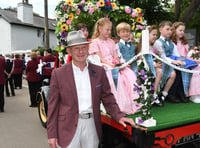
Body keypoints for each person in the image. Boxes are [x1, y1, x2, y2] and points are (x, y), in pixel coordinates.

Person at [47, 30, 135, 148]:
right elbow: (53, 106)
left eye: (83, 47)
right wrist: (52, 134)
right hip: (67, 126)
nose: (81, 51)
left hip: (92, 125)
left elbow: (108, 98)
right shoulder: (58, 74)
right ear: (69, 51)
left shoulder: (99, 72)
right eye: (76, 48)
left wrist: (119, 116)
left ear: (88, 48)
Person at [89, 18, 139, 114]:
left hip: (113, 63)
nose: (109, 32)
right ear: (100, 28)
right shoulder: (95, 42)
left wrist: (117, 61)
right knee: (116, 76)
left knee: (129, 74)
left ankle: (133, 103)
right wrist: (110, 64)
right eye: (107, 29)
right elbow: (99, 58)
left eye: (110, 30)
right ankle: (117, 105)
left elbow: (116, 55)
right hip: (103, 64)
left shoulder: (111, 42)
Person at [153, 21, 187, 103]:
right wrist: (174, 61)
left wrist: (181, 61)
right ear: (160, 30)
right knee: (173, 73)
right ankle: (158, 95)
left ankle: (165, 94)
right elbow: (162, 57)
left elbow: (177, 55)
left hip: (170, 64)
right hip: (161, 63)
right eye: (167, 29)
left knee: (178, 71)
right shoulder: (158, 42)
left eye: (171, 30)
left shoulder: (172, 44)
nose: (170, 31)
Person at [171, 21, 200, 103]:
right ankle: (192, 94)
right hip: (177, 62)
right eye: (180, 30)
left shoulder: (184, 42)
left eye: (183, 30)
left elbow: (187, 55)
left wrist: (194, 55)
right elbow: (174, 55)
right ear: (174, 30)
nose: (182, 32)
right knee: (194, 70)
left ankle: (197, 93)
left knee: (198, 67)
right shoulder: (172, 43)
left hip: (186, 61)